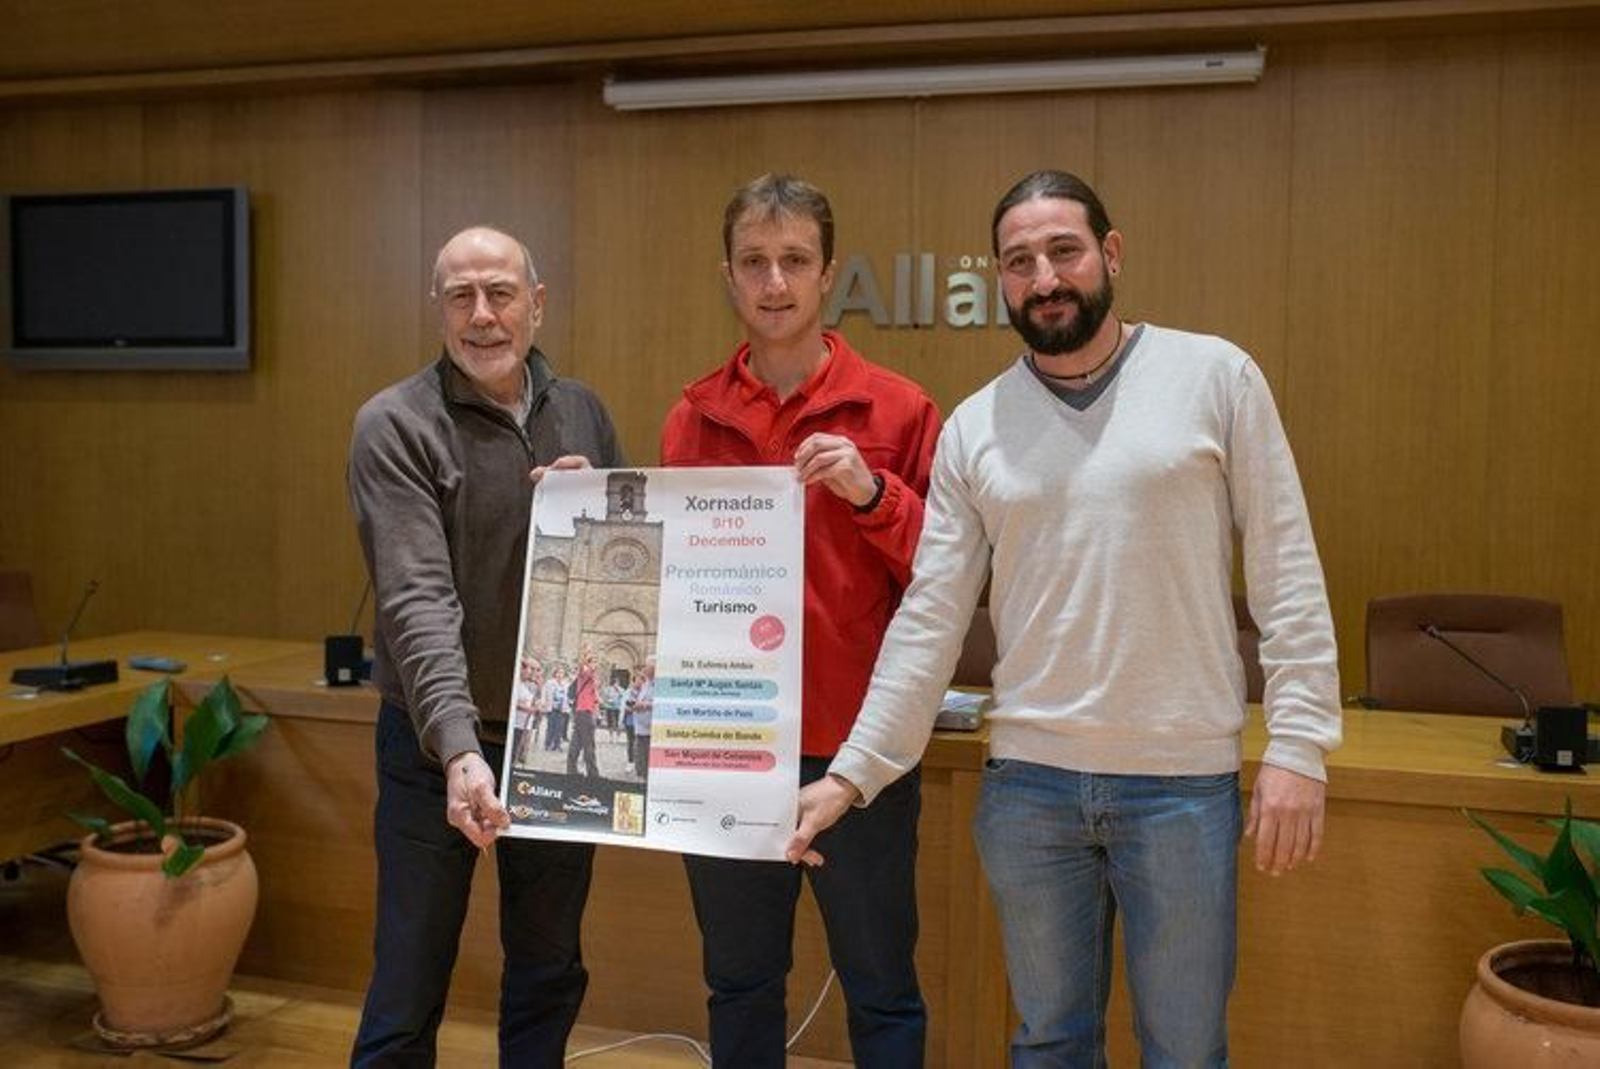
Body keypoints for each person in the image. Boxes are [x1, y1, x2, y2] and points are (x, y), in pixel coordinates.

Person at [787, 169, 1342, 1067]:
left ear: (1110, 254)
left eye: (1064, 251)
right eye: (1020, 261)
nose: (1044, 278)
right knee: (1048, 1043)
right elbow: (929, 617)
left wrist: (1299, 743)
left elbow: (1288, 568)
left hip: (1180, 785)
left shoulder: (1217, 377)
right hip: (1030, 789)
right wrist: (852, 775)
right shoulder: (975, 427)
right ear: (1000, 281)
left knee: (1185, 1049)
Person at [661, 173, 942, 1069]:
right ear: (728, 276)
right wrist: (591, 512)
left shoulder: (899, 409)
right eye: (754, 261)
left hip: (860, 754)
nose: (774, 281)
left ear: (828, 274)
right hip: (725, 746)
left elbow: (946, 575)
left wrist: (872, 492)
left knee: (881, 986)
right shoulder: (690, 417)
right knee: (740, 981)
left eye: (794, 260)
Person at [347, 225, 624, 1066]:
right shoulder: (395, 424)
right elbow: (416, 600)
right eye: (460, 295)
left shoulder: (583, 411)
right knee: (407, 980)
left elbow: (626, 576)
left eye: (500, 293)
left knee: (549, 968)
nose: (482, 314)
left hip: (555, 741)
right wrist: (460, 749)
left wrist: (599, 509)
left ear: (536, 304)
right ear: (437, 308)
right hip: (432, 747)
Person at [567, 649, 601, 779]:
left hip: (583, 713)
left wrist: (597, 707)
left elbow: (595, 699)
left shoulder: (592, 678)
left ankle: (571, 771)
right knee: (589, 745)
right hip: (584, 714)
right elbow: (581, 665)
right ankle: (593, 774)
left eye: (596, 662)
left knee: (576, 743)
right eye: (593, 662)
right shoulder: (584, 674)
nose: (595, 664)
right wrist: (585, 655)